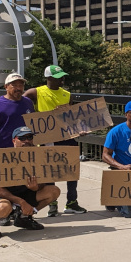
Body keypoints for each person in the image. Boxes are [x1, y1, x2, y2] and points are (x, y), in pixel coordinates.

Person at [21, 65, 88, 216]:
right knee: (50, 171)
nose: (62, 79)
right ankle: (53, 203)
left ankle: (72, 202)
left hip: (67, 137)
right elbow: (17, 101)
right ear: (49, 78)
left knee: (72, 169)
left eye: (62, 76)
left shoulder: (67, 94)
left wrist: (79, 129)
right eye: (58, 77)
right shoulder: (36, 92)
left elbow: (70, 117)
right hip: (49, 138)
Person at [0, 126, 61, 238]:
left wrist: (35, 188)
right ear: (14, 141)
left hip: (24, 193)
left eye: (29, 137)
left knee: (54, 191)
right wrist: (21, 202)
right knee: (3, 208)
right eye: (22, 138)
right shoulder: (2, 158)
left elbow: (42, 184)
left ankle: (23, 217)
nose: (27, 141)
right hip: (0, 196)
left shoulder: (37, 157)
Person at [0, 73, 34, 149]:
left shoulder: (28, 102)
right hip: (3, 153)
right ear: (6, 87)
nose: (18, 88)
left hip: (25, 150)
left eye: (21, 85)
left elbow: (35, 123)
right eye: (14, 85)